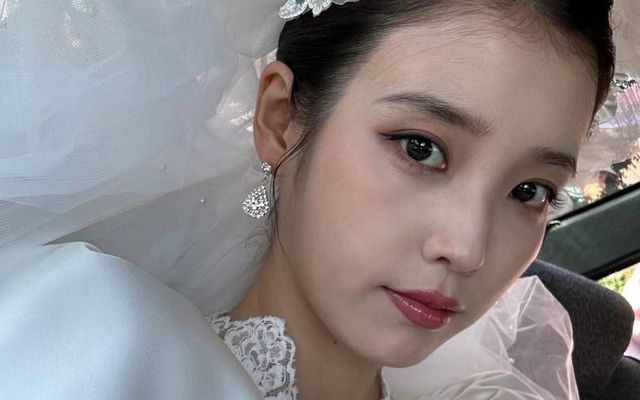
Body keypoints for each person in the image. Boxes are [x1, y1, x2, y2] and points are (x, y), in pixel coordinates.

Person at [0, 0, 635, 399]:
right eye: (420, 148)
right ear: (279, 120)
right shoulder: (89, 353)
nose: (467, 248)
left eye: (530, 191)